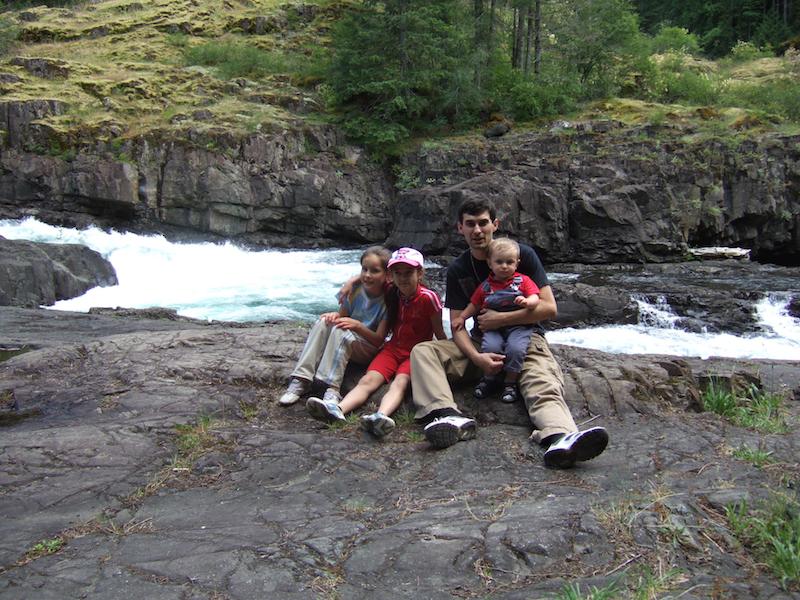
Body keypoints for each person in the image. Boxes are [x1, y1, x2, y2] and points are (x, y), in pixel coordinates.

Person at [410, 198, 609, 468]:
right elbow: (457, 324)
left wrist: (502, 318)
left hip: (526, 338)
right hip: (483, 342)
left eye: (483, 223)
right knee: (424, 351)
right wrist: (476, 357)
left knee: (541, 381)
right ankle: (445, 415)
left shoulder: (520, 255)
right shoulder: (459, 269)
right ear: (460, 228)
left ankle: (559, 438)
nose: (477, 230)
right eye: (470, 224)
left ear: (495, 224)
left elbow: (549, 308)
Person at [308, 247, 446, 438]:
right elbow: (369, 276)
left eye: (408, 273)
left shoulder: (428, 298)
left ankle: (381, 416)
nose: (403, 278)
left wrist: (445, 357)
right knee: (367, 380)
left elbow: (439, 332)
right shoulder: (393, 292)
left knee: (400, 382)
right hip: (392, 349)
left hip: (416, 353)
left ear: (420, 273)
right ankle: (336, 408)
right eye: (398, 273)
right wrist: (350, 282)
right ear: (392, 276)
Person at [277, 246, 391, 407]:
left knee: (341, 330)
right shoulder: (355, 290)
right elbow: (342, 316)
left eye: (375, 271)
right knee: (324, 322)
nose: (367, 275)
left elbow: (378, 340)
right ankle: (301, 379)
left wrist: (357, 326)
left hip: (367, 347)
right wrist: (335, 316)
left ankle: (332, 388)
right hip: (347, 338)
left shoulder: (389, 300)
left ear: (387, 275)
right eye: (364, 269)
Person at [450, 237, 540, 404]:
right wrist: (462, 317)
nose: (504, 266)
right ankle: (490, 378)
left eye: (509, 262)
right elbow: (474, 304)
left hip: (519, 327)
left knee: (516, 349)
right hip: (493, 329)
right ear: (490, 263)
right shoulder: (486, 286)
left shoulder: (523, 281)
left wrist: (528, 302)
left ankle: (510, 382)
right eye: (499, 262)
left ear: (517, 263)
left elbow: (535, 297)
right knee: (490, 347)